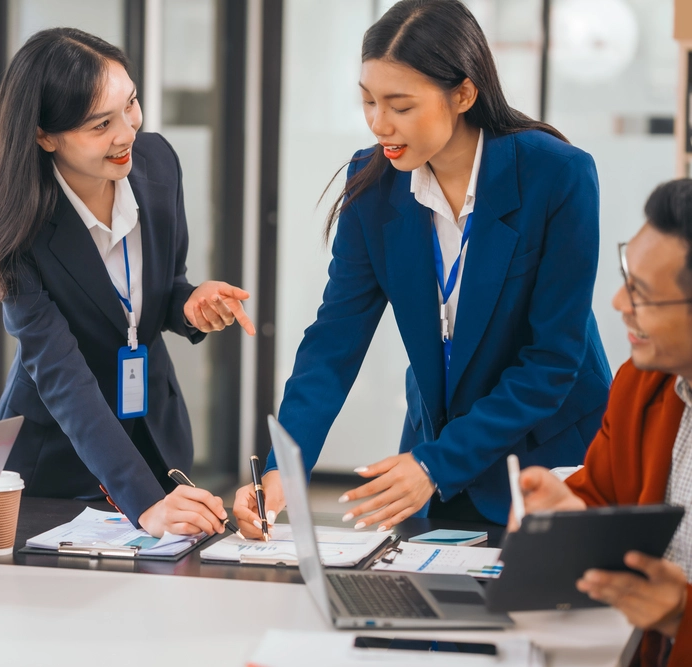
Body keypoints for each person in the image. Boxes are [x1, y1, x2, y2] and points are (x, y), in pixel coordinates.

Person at [234, 0, 610, 535]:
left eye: (401, 106)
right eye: (368, 101)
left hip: (545, 459)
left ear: (463, 94)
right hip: (435, 457)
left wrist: (435, 464)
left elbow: (552, 360)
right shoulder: (373, 183)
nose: (378, 124)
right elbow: (334, 343)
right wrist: (281, 471)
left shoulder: (557, 175)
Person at [0, 28, 254, 538]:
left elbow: (164, 286)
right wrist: (145, 503)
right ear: (44, 135)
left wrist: (190, 303)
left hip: (155, 441)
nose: (127, 133)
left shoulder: (157, 163)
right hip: (55, 459)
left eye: (131, 105)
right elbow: (61, 374)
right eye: (101, 124)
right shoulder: (12, 225)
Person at [517, 179, 692, 666]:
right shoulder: (641, 385)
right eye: (625, 278)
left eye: (642, 294)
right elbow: (603, 495)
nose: (618, 303)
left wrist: (682, 614)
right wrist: (570, 518)